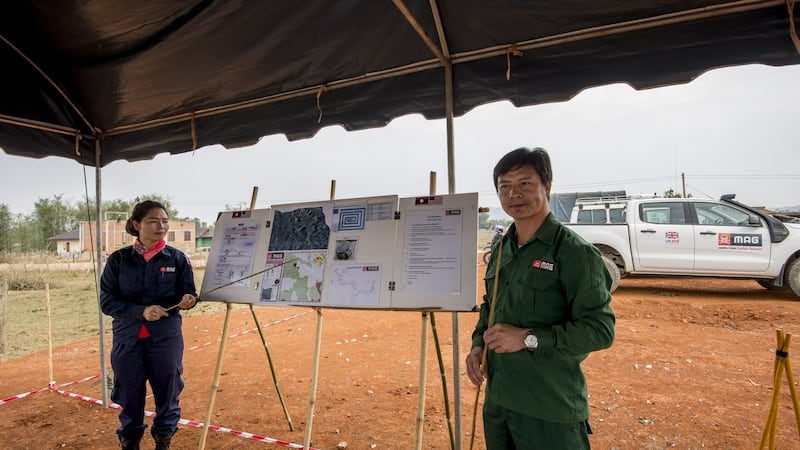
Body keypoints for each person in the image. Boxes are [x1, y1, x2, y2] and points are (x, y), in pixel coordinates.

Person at [466, 147, 615, 449]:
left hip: (548, 407)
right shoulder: (501, 248)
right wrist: (478, 344)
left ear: (547, 186)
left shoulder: (574, 253)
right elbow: (490, 306)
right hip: (498, 403)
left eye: (525, 184)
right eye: (504, 186)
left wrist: (528, 338)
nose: (514, 194)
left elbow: (601, 330)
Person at [100, 200, 198, 450]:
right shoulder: (118, 260)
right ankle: (130, 441)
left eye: (164, 221)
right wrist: (140, 311)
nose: (161, 226)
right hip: (128, 337)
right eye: (153, 221)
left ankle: (163, 441)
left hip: (165, 338)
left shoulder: (178, 259)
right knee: (130, 393)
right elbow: (107, 302)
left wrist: (188, 300)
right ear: (136, 224)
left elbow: (188, 292)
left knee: (168, 391)